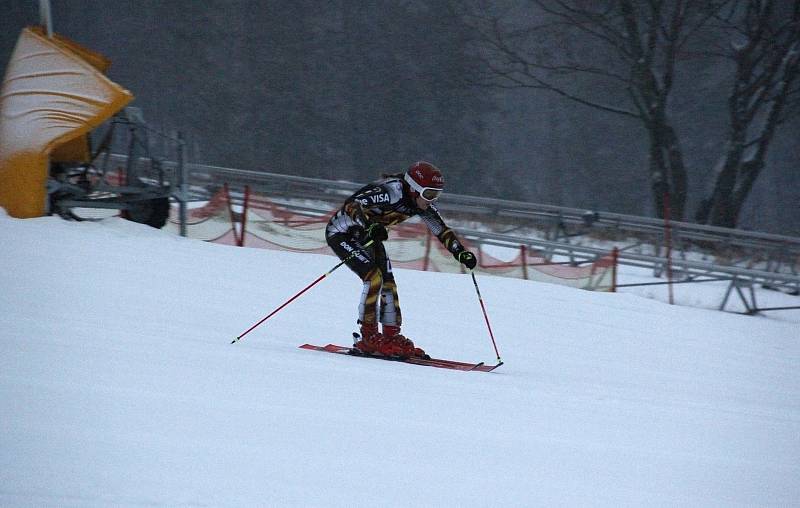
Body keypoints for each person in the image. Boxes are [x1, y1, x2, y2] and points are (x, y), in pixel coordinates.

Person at [325, 161, 477, 358]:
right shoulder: (392, 191)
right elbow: (353, 205)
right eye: (429, 194)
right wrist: (369, 225)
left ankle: (391, 335)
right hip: (342, 233)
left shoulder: (420, 205)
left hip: (369, 236)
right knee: (374, 278)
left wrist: (460, 252)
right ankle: (369, 337)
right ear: (414, 189)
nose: (431, 200)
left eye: (436, 195)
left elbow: (441, 229)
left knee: (388, 283)